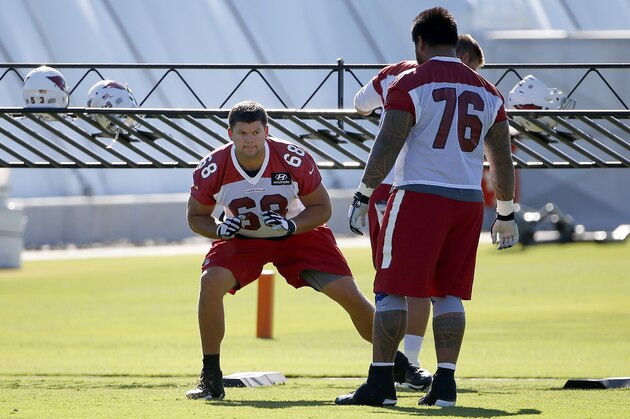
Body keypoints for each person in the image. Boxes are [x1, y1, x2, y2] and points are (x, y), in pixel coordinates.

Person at [337, 7, 518, 408]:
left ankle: (381, 383)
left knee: (390, 289)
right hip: (469, 201)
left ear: (419, 43)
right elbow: (502, 159)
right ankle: (446, 385)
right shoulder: (489, 91)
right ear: (455, 44)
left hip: (419, 196)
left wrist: (364, 193)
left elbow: (388, 142)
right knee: (449, 293)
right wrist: (505, 212)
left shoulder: (411, 80)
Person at [185, 100, 425, 400]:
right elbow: (196, 217)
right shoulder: (214, 166)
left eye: (256, 132)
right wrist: (219, 229)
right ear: (230, 133)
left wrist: (290, 227)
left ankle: (398, 365)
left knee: (348, 294)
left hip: (297, 235)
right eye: (243, 133)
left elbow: (321, 208)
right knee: (210, 283)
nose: (250, 140)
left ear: (266, 131)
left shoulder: (291, 157)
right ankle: (210, 375)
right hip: (242, 239)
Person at [352, 33, 486, 377]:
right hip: (412, 186)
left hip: (389, 187)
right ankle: (407, 363)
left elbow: (360, 103)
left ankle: (392, 367)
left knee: (395, 281)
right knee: (424, 286)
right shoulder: (470, 85)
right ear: (462, 57)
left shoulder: (397, 74)